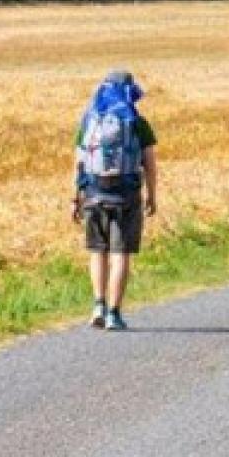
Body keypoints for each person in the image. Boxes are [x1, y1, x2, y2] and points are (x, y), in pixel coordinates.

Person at [72, 70, 158, 330]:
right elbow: (150, 164)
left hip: (93, 193)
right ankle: (114, 313)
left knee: (98, 251)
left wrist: (74, 198)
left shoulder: (89, 120)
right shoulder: (137, 121)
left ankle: (98, 304)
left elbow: (78, 162)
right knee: (120, 254)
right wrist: (152, 195)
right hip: (126, 196)